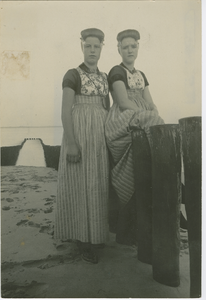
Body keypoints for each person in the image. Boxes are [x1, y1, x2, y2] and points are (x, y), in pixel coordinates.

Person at [54, 28, 110, 264]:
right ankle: (82, 240)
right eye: (88, 46)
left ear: (101, 48)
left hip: (98, 139)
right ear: (82, 46)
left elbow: (107, 109)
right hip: (78, 136)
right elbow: (66, 110)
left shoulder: (105, 77)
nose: (92, 50)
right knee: (78, 186)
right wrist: (72, 143)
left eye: (96, 46)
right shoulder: (73, 74)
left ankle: (95, 236)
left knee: (96, 185)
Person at [105, 29, 164, 245]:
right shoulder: (116, 71)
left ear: (138, 47)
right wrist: (147, 115)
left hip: (141, 118)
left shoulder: (141, 75)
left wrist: (155, 114)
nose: (129, 50)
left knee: (158, 126)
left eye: (133, 46)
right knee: (151, 124)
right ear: (118, 48)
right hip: (123, 119)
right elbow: (123, 102)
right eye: (125, 46)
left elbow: (151, 101)